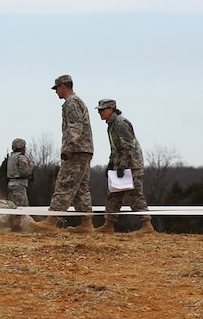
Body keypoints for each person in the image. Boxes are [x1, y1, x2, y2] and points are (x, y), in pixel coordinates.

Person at [31, 75, 94, 233]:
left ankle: (51, 221)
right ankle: (86, 223)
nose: (56, 92)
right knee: (80, 188)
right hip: (84, 150)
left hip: (76, 151)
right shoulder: (78, 101)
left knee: (64, 184)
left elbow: (75, 126)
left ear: (63, 86)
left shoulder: (71, 103)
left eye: (57, 88)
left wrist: (68, 148)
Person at [95, 99, 153, 233]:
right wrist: (111, 164)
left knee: (134, 195)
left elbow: (128, 145)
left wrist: (123, 165)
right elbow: (116, 148)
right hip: (121, 164)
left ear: (112, 109)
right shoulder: (112, 125)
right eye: (99, 110)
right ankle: (108, 224)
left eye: (102, 110)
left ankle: (146, 225)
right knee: (114, 194)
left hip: (131, 165)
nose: (100, 113)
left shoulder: (120, 123)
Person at [6, 138, 33, 208]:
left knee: (13, 206)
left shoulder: (11, 157)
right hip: (19, 185)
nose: (25, 148)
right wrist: (31, 165)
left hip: (11, 184)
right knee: (22, 208)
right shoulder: (21, 158)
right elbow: (25, 172)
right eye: (24, 147)